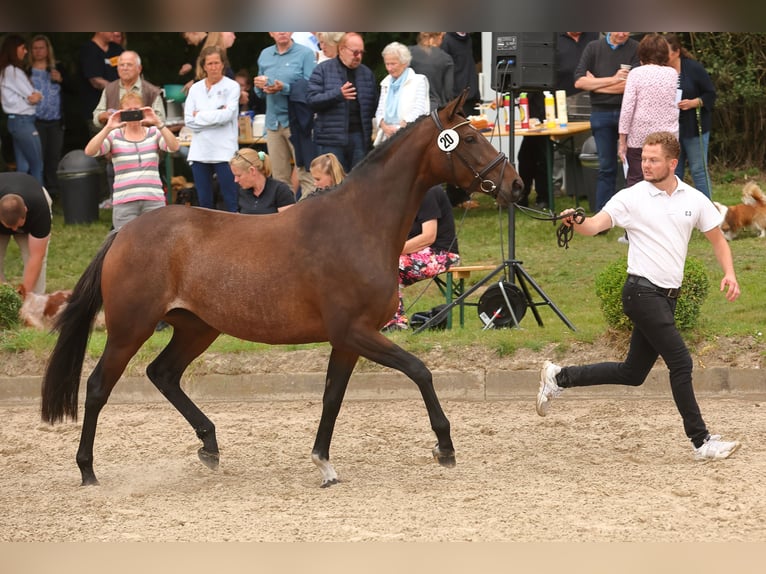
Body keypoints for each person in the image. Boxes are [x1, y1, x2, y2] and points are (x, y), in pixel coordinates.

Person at [538, 131, 741, 461]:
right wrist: (576, 221)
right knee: (681, 361)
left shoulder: (693, 198)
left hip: (667, 297)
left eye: (653, 159)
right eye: (643, 159)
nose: (645, 164)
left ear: (673, 163)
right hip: (641, 292)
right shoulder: (630, 197)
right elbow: (596, 225)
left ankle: (559, 377)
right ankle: (701, 442)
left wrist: (729, 273)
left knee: (633, 373)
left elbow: (718, 240)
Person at [84, 92, 179, 230]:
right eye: (128, 111)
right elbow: (90, 151)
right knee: (126, 247)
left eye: (137, 110)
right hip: (125, 201)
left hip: (153, 199)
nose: (133, 114)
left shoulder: (153, 133)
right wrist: (108, 127)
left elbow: (174, 147)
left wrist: (158, 123)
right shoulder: (114, 135)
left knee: (156, 244)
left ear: (144, 110)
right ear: (121, 112)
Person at [574, 32, 639, 212]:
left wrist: (596, 83)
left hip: (628, 113)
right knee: (606, 167)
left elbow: (631, 84)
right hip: (600, 114)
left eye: (626, 30)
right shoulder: (593, 48)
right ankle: (603, 215)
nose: (622, 34)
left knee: (633, 165)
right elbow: (579, 82)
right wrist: (614, 79)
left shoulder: (635, 48)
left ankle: (634, 213)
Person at [382, 185, 460, 332]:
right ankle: (384, 319)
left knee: (388, 266)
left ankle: (396, 322)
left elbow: (428, 236)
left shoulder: (427, 191)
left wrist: (393, 251)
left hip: (444, 255)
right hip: (420, 253)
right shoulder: (405, 196)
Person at [254, 32, 317, 195]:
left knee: (306, 173)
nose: (282, 32)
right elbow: (260, 94)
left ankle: (309, 216)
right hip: (273, 123)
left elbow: (311, 88)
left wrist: (285, 88)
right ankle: (286, 216)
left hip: (298, 123)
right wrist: (259, 86)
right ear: (270, 33)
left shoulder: (305, 54)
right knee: (279, 178)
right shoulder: (264, 54)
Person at [307, 32, 377, 173]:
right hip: (330, 140)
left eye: (361, 52)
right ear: (342, 49)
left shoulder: (366, 74)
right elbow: (311, 100)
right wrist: (338, 95)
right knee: (333, 185)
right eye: (355, 52)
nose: (358, 56)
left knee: (357, 183)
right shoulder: (323, 69)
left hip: (359, 138)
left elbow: (373, 105)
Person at [184, 45, 240, 212]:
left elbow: (228, 116)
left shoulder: (232, 86)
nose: (214, 67)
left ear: (223, 64)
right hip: (200, 151)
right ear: (204, 66)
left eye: (217, 63)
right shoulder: (195, 88)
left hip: (225, 152)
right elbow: (188, 120)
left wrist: (199, 115)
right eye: (210, 63)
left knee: (231, 199)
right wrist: (216, 114)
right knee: (204, 202)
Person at [618, 34, 678, 187]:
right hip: (667, 137)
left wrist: (622, 141)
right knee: (665, 180)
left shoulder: (635, 74)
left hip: (640, 138)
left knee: (636, 181)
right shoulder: (672, 74)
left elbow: (627, 109)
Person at [666, 33, 716, 199]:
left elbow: (710, 93)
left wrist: (694, 102)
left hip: (694, 127)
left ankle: (707, 210)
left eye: (666, 52)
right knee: (674, 170)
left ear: (677, 52)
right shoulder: (660, 70)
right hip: (671, 129)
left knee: (698, 169)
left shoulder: (693, 68)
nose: (663, 56)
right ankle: (678, 211)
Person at [552, 32, 600, 195]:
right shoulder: (555, 38)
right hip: (560, 98)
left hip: (589, 98)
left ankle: (586, 185)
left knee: (587, 142)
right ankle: (556, 184)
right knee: (559, 143)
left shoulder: (593, 36)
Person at [0, 34, 44, 186]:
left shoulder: (6, 70)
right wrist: (39, 95)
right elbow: (33, 97)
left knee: (23, 167)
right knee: (37, 165)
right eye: (23, 48)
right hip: (23, 122)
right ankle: (42, 203)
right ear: (14, 49)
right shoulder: (13, 71)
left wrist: (36, 96)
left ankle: (21, 204)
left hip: (15, 121)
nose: (26, 52)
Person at [0, 172, 52, 295]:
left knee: (32, 256)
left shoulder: (39, 208)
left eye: (18, 226)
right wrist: (5, 294)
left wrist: (25, 296)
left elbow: (36, 256)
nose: (14, 230)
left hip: (35, 195)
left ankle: (35, 303)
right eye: (9, 226)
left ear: (25, 210)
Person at [29, 34, 65, 199]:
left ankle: (54, 193)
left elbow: (74, 89)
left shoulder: (57, 67)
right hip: (35, 120)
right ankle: (38, 193)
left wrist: (61, 79)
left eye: (41, 47)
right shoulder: (26, 70)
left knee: (53, 157)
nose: (38, 51)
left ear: (47, 49)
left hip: (56, 120)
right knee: (38, 158)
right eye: (35, 48)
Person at [373, 42, 430, 147]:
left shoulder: (418, 81)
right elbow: (380, 110)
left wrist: (399, 129)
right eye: (387, 64)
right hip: (386, 136)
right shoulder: (385, 82)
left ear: (404, 63)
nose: (389, 68)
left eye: (393, 64)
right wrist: (385, 127)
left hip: (410, 136)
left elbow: (420, 110)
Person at [92, 50, 165, 129]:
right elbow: (96, 119)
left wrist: (142, 119)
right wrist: (104, 116)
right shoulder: (109, 89)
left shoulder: (152, 91)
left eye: (129, 65)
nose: (125, 68)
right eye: (121, 65)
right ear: (117, 68)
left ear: (139, 68)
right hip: (114, 139)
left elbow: (161, 121)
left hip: (144, 139)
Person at [78, 33, 123, 135]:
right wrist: (122, 90)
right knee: (103, 146)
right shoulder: (88, 50)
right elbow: (95, 81)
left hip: (121, 111)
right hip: (97, 111)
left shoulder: (117, 49)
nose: (114, 32)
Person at [229, 149, 295, 214]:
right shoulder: (241, 191)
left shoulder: (280, 190)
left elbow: (288, 221)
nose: (235, 180)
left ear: (252, 170)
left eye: (239, 175)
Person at [517, 92, 549, 208]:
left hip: (541, 116)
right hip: (530, 118)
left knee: (540, 158)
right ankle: (523, 196)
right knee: (526, 157)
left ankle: (542, 198)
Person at [409, 32, 454, 112]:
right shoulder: (446, 59)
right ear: (438, 37)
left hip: (411, 107)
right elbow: (448, 91)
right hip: (435, 108)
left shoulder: (408, 53)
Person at [440, 32, 480, 117]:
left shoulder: (468, 39)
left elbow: (469, 65)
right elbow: (444, 69)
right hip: (457, 96)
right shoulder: (447, 40)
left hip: (472, 93)